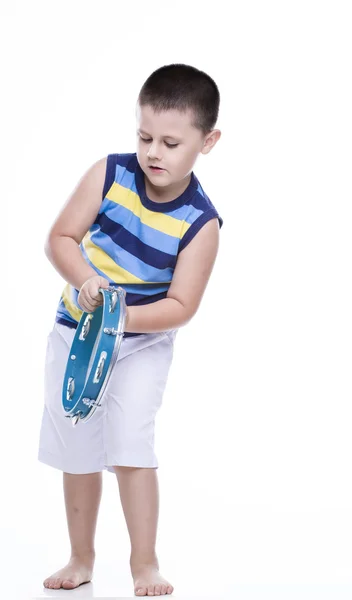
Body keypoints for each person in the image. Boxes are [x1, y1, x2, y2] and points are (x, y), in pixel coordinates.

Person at [38, 63, 223, 596]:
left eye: (170, 142)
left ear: (207, 142)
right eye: (145, 137)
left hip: (141, 344)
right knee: (75, 441)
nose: (154, 153)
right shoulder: (110, 174)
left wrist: (119, 320)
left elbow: (182, 305)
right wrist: (88, 282)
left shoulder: (201, 222)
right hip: (75, 331)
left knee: (129, 446)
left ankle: (144, 563)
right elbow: (61, 238)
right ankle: (81, 557)